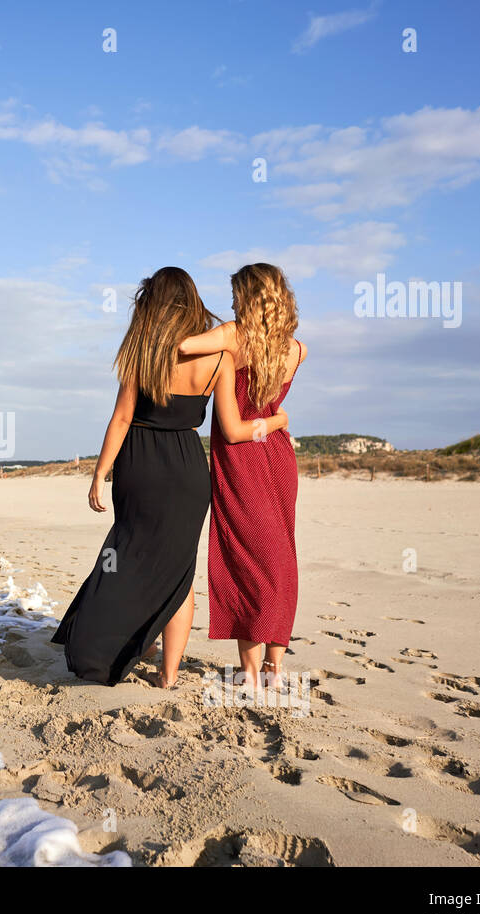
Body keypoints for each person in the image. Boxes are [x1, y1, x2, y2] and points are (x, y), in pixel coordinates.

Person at [51, 266, 288, 687]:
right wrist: (274, 421)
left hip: (140, 465)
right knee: (180, 573)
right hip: (188, 470)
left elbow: (122, 418)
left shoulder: (145, 351)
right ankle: (169, 674)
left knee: (126, 556)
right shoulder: (220, 358)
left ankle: (108, 644)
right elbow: (234, 426)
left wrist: (99, 473)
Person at [178, 263, 306, 689]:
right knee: (280, 559)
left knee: (246, 561)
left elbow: (178, 346)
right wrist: (277, 421)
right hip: (279, 458)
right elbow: (272, 412)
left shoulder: (234, 335)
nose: (231, 303)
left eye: (236, 296)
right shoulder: (297, 349)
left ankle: (251, 674)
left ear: (250, 298)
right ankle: (273, 669)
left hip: (241, 461)